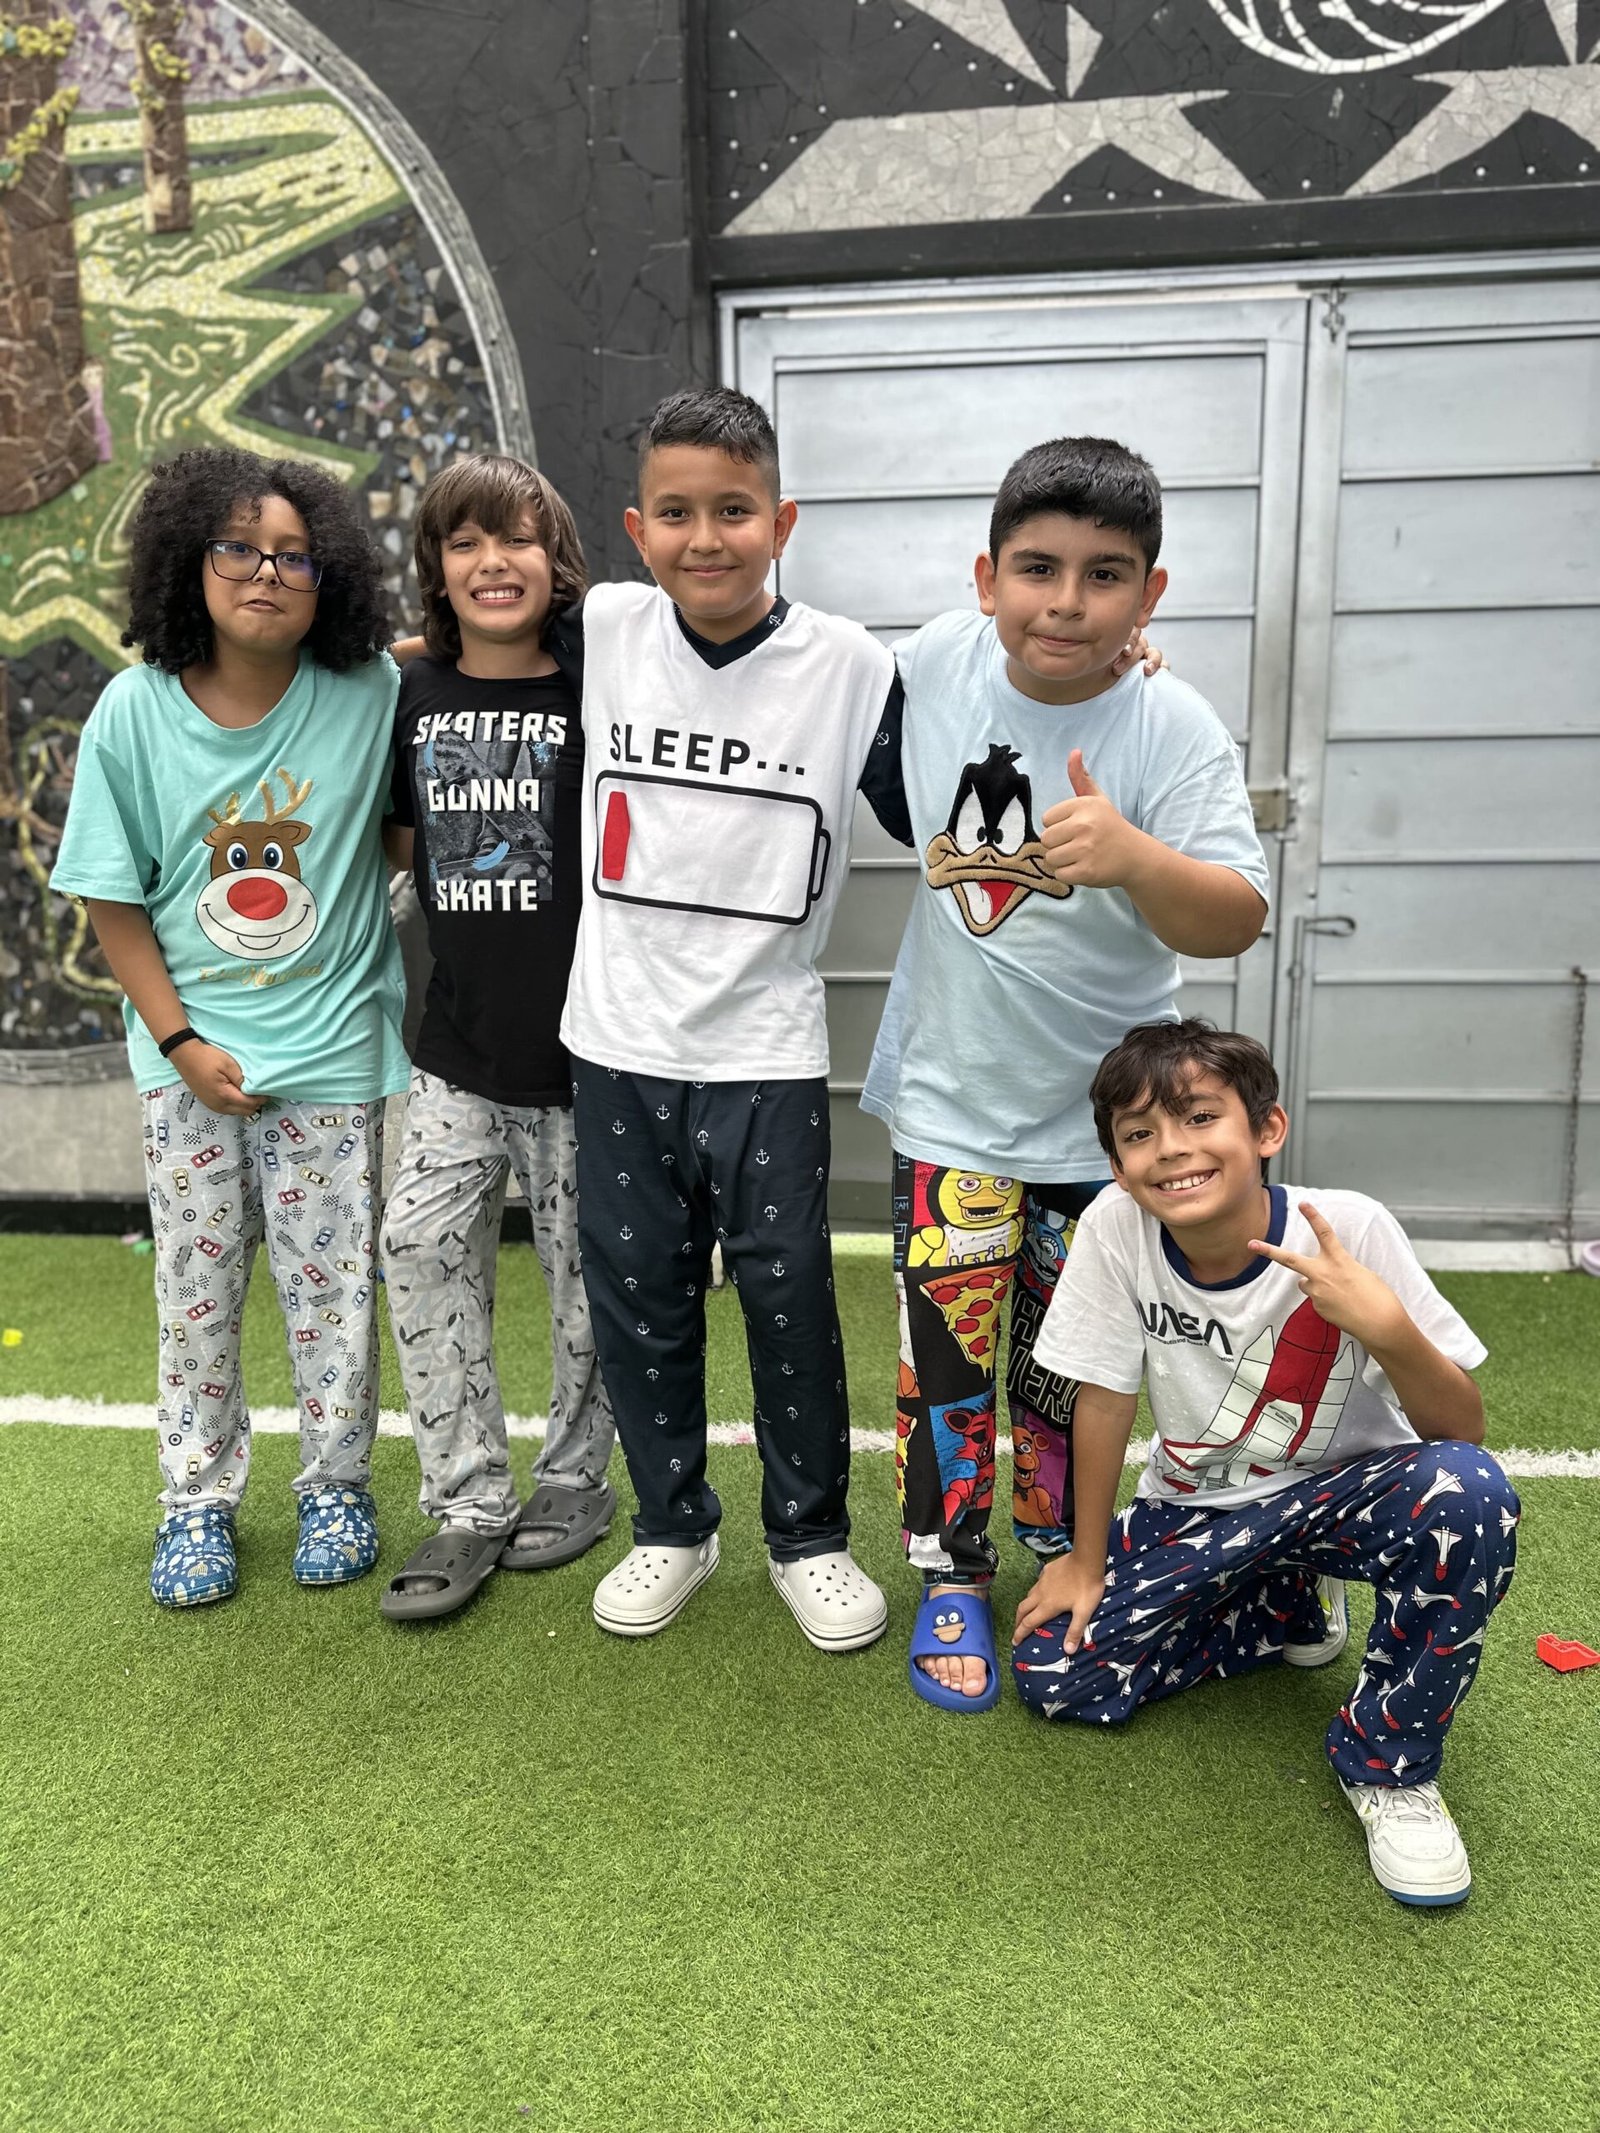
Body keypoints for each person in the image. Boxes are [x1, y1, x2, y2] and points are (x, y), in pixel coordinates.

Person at [862, 436, 1277, 1712]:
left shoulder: (1168, 718)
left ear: (1150, 595)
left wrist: (1137, 857)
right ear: (985, 577)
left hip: (1105, 1141)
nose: (1066, 602)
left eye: (1105, 577)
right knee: (943, 1366)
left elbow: (1238, 914)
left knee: (1070, 1368)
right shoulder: (931, 660)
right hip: (949, 1109)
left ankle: (1060, 1554)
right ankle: (947, 1570)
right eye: (1036, 569)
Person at [551, 386, 911, 1649]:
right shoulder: (601, 628)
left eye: (734, 511)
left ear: (782, 521)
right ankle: (672, 1526)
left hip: (767, 1051)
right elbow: (459, 637)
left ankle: (809, 1538)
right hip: (618, 1043)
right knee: (636, 1296)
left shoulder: (855, 667)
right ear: (636, 530)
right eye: (676, 513)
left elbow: (944, 788)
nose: (705, 538)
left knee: (788, 1296)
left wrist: (1110, 675)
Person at [1011, 1019, 1518, 1907]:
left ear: (1267, 1129)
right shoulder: (1116, 1228)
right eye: (1139, 1133)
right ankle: (1290, 1598)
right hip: (1200, 1508)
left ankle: (1389, 1765)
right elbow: (1104, 1398)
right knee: (1057, 1671)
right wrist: (1084, 1562)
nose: (1173, 1148)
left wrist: (1386, 1327)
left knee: (1469, 1494)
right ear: (1119, 1164)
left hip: (1348, 1501)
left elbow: (1461, 1429)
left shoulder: (1349, 1226)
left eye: (1200, 1116)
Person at [51, 446, 408, 1608]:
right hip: (190, 1065)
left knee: (333, 1297)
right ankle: (196, 1501)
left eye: (295, 556)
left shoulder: (368, 693)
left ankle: (336, 1486)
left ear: (329, 577)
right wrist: (179, 1046)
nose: (266, 572)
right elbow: (112, 900)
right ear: (187, 562)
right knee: (194, 1295)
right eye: (239, 548)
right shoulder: (132, 711)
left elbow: (429, 702)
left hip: (335, 1060)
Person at [377, 454, 617, 1621]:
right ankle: (467, 1501)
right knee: (419, 1243)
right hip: (456, 1055)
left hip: (588, 1058)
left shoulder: (601, 683)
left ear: (554, 557)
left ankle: (576, 1480)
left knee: (587, 1282)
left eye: (515, 538)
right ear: (436, 565)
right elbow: (390, 835)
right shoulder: (403, 692)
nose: (492, 562)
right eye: (464, 542)